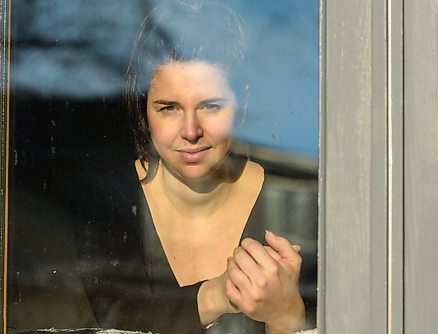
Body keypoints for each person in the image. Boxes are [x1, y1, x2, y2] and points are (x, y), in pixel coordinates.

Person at [74, 1, 317, 333]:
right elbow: (111, 318)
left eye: (211, 106)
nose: (190, 131)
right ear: (142, 106)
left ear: (243, 104)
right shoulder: (105, 203)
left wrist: (286, 316)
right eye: (169, 108)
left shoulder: (297, 203)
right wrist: (215, 295)